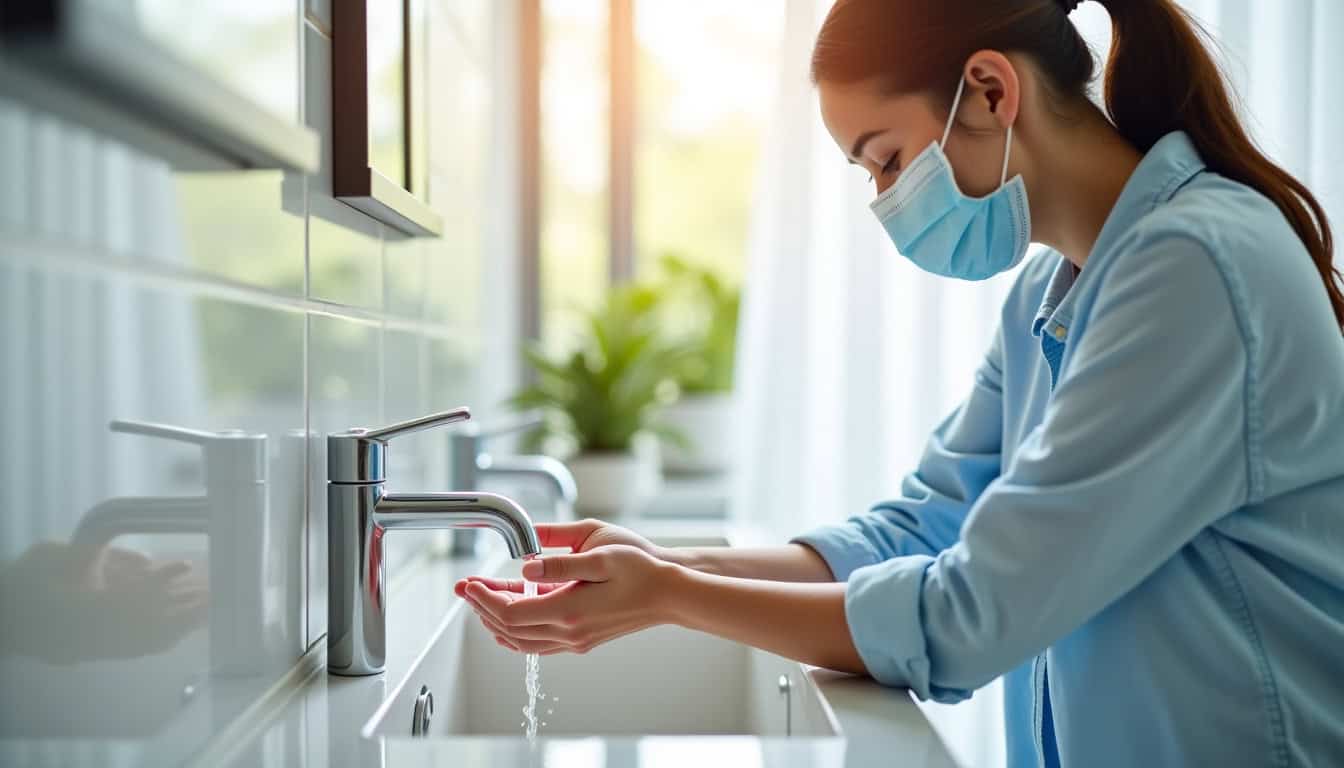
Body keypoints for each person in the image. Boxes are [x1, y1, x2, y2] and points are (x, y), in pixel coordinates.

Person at [459, 0, 1344, 764]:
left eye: (886, 160)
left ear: (990, 90)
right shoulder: (1049, 295)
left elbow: (971, 616)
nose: (885, 199)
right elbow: (920, 526)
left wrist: (672, 598)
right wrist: (664, 564)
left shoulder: (1194, 267)